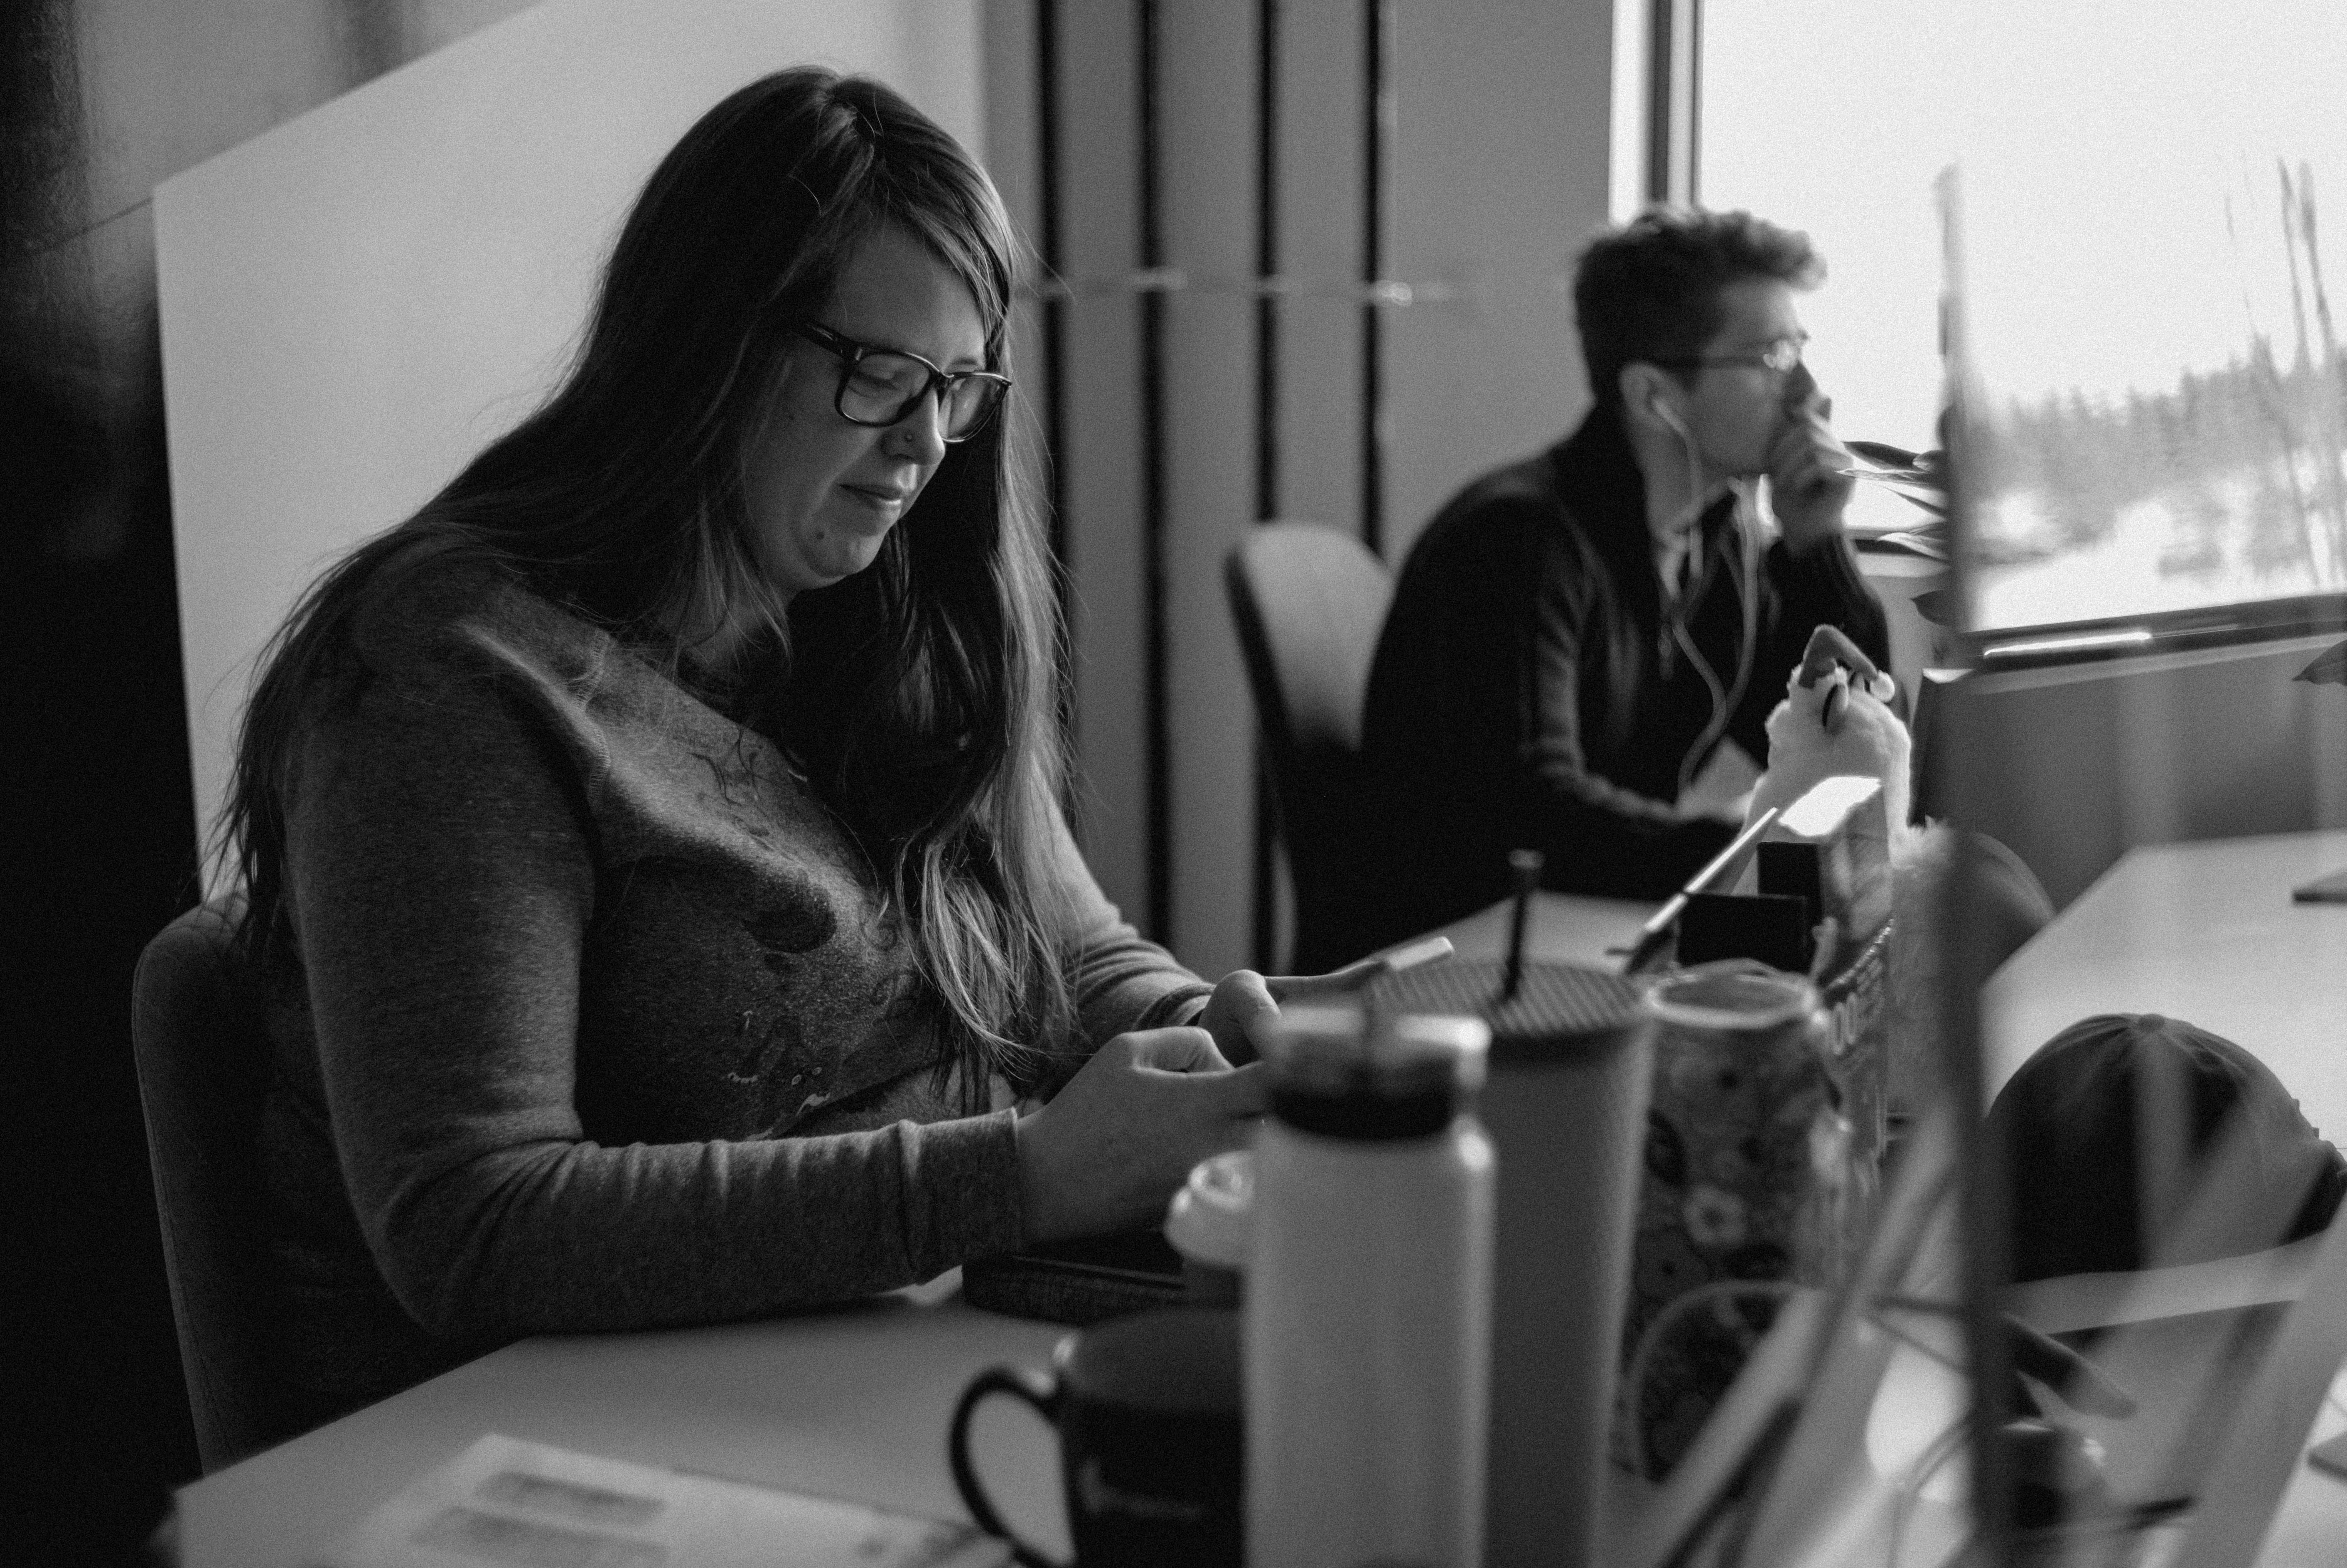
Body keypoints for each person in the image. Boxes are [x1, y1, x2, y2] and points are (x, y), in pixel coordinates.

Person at [221, 68, 1316, 1433]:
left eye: (959, 386)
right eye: (877, 373)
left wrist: (1198, 1045)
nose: (925, 444)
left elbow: (1077, 953)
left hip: (873, 1357)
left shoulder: (891, 609)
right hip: (560, 1440)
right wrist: (1026, 1176)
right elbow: (474, 1224)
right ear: (713, 343)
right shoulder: (447, 672)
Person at [1358, 207, 1891, 929]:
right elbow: (1534, 813)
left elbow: (1847, 725)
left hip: (1585, 918)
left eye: (1798, 348)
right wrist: (1750, 852)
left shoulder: (1717, 532)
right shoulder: (1516, 543)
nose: (1808, 392)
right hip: (1469, 958)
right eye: (1770, 358)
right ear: (1652, 396)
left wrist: (1816, 543)